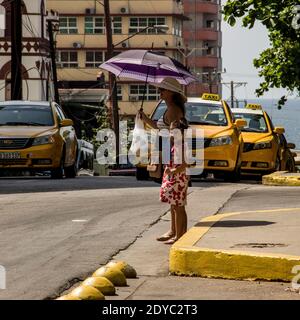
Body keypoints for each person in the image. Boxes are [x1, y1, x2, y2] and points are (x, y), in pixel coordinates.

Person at [139, 77, 187, 243]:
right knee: (172, 199)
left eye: (162, 90)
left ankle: (178, 233)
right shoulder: (169, 108)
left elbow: (176, 135)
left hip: (175, 157)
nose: (160, 92)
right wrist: (145, 119)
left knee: (176, 201)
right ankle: (173, 231)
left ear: (171, 92)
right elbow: (162, 128)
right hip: (170, 156)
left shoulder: (173, 110)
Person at [159, 118, 189, 244]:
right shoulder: (177, 145)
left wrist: (172, 171)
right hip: (177, 178)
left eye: (174, 131)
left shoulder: (180, 146)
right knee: (177, 206)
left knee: (178, 208)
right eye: (171, 131)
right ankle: (181, 233)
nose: (172, 133)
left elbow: (183, 165)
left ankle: (178, 236)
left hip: (179, 179)